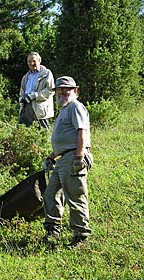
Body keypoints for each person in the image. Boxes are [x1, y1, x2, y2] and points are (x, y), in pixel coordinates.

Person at [41, 76, 93, 248]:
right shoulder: (64, 109)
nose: (62, 92)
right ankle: (52, 231)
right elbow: (63, 141)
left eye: (66, 89)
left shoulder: (75, 107)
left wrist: (78, 158)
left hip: (73, 157)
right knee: (51, 193)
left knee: (75, 196)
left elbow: (81, 133)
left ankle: (81, 237)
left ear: (75, 91)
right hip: (64, 158)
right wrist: (51, 157)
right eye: (59, 90)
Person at [19, 52, 55, 130]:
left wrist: (34, 96)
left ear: (39, 60)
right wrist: (21, 99)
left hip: (40, 110)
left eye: (34, 61)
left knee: (44, 133)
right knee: (23, 133)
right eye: (29, 61)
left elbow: (50, 91)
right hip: (26, 108)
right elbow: (22, 92)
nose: (31, 63)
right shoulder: (26, 77)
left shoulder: (46, 73)